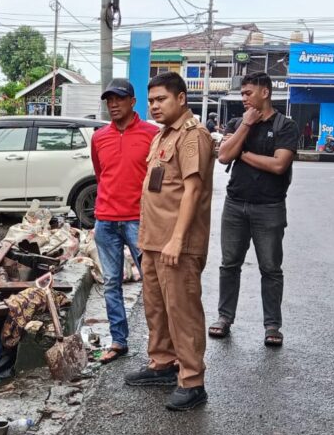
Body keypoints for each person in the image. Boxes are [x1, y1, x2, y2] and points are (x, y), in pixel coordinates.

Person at [122, 72, 214, 411]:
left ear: (181, 98)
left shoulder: (193, 136)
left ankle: (192, 381)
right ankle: (162, 363)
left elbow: (193, 190)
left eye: (161, 99)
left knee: (182, 312)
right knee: (156, 308)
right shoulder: (163, 135)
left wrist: (177, 240)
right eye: (151, 101)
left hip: (178, 244)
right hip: (154, 240)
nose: (155, 106)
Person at [209, 72, 299, 347]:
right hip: (235, 204)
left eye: (248, 93)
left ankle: (272, 325)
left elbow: (279, 165)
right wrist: (246, 125)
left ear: (265, 92)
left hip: (269, 207)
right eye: (242, 93)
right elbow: (224, 155)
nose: (244, 98)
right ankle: (224, 318)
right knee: (229, 264)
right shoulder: (238, 123)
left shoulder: (285, 126)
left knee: (270, 268)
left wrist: (243, 154)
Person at [91, 78, 159, 364]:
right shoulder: (99, 137)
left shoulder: (152, 134)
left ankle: (160, 346)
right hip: (105, 220)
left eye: (119, 98)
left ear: (133, 101)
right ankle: (119, 341)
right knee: (110, 283)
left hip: (138, 220)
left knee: (152, 284)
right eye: (109, 100)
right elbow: (101, 174)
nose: (113, 104)